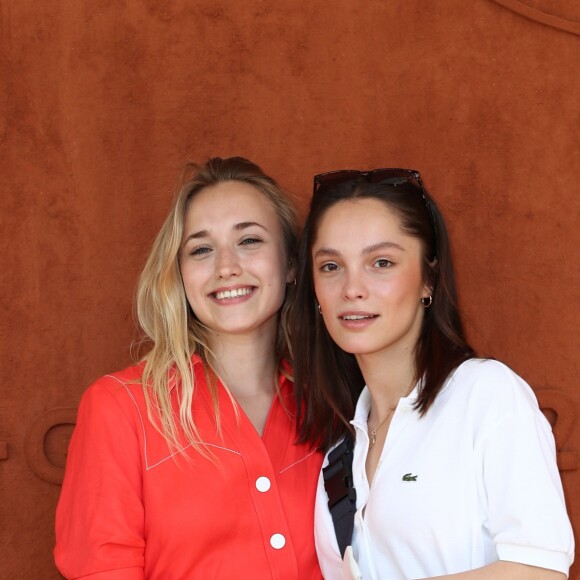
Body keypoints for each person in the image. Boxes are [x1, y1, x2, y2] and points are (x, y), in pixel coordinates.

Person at [292, 168, 574, 579]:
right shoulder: (341, 448)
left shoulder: (485, 394)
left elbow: (539, 569)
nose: (352, 288)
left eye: (381, 262)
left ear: (428, 278)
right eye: (331, 266)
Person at [55, 156, 323, 579]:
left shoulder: (333, 403)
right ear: (179, 275)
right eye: (201, 249)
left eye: (249, 240)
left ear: (291, 264)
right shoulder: (120, 408)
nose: (226, 267)